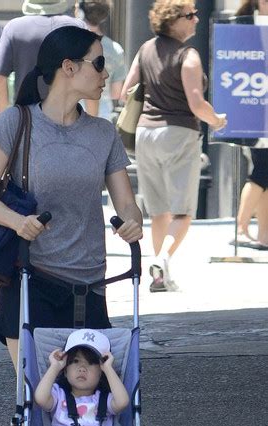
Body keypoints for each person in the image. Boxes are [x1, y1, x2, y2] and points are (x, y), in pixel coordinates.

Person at [0, 25, 143, 364]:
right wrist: (19, 222)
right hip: (30, 278)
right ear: (68, 67)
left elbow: (126, 203)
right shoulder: (15, 122)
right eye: (98, 63)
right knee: (37, 399)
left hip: (90, 283)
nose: (106, 73)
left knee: (91, 403)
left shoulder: (103, 133)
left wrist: (133, 223)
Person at [121, 0, 227, 292]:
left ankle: (159, 276)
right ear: (172, 21)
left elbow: (124, 92)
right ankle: (163, 258)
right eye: (189, 15)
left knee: (158, 212)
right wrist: (216, 120)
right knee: (182, 213)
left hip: (145, 135)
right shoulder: (188, 55)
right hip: (178, 134)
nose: (196, 19)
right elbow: (196, 103)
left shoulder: (145, 50)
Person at [0, 0, 86, 148]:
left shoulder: (14, 28)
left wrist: (9, 119)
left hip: (26, 122)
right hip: (68, 120)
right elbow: (90, 76)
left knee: (25, 168)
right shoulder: (77, 28)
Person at [230, 0, 268, 250]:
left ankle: (264, 235)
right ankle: (241, 228)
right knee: (262, 170)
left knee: (266, 172)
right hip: (254, 108)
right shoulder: (245, 25)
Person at [75, 0, 126, 121]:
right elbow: (116, 93)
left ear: (81, 11)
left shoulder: (71, 43)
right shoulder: (116, 50)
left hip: (73, 114)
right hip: (103, 116)